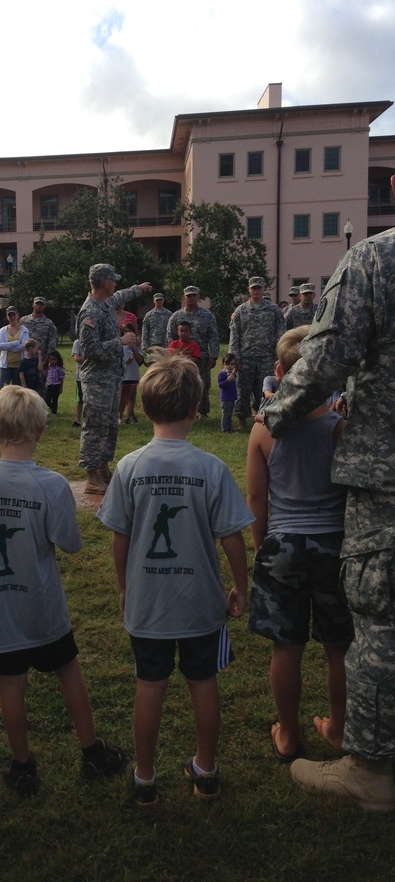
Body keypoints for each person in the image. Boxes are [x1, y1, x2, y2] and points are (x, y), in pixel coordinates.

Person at [262, 193, 395, 812]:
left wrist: (276, 413)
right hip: (343, 520)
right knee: (348, 636)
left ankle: (367, 768)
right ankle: (347, 733)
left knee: (377, 626)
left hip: (379, 487)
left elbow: (326, 359)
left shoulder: (376, 259)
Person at [97, 354, 253, 806]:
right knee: (203, 682)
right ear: (194, 409)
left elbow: (120, 538)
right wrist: (241, 585)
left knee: (150, 684)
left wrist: (124, 586)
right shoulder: (211, 468)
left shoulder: (129, 467)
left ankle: (144, 777)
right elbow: (232, 537)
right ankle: (206, 771)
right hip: (201, 602)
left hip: (148, 603)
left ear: (145, 408)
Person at [0, 386, 126, 796]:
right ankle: (91, 751)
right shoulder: (51, 484)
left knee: (11, 681)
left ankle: (22, 767)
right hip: (43, 604)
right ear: (40, 431)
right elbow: (69, 543)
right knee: (67, 668)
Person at [248, 327, 352, 763]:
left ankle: (288, 736)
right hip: (334, 547)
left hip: (283, 545)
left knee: (286, 647)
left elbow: (256, 499)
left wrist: (261, 546)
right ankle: (338, 729)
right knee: (338, 646)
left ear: (279, 371)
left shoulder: (263, 432)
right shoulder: (339, 429)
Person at [77, 264, 152, 495]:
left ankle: (103, 468)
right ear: (105, 283)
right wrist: (120, 342)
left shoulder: (105, 303)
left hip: (111, 378)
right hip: (97, 380)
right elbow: (90, 349)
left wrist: (138, 289)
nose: (115, 284)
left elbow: (121, 295)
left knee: (110, 427)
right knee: (94, 426)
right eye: (113, 280)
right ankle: (91, 476)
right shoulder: (90, 312)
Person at [229, 276, 286, 432]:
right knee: (243, 389)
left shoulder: (274, 310)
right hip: (246, 357)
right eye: (253, 288)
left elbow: (281, 333)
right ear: (249, 290)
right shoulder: (240, 311)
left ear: (264, 289)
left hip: (267, 357)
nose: (256, 290)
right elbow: (234, 335)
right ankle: (241, 418)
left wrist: (279, 353)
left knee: (264, 388)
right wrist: (235, 357)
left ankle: (265, 416)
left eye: (259, 287)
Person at [166, 286, 219, 419]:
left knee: (203, 385)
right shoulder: (176, 316)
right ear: (184, 298)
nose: (191, 298)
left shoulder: (207, 315)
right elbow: (170, 337)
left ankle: (203, 412)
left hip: (201, 358)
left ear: (198, 297)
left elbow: (213, 336)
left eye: (194, 295)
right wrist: (174, 356)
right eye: (188, 296)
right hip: (181, 360)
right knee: (182, 385)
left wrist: (214, 355)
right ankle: (183, 411)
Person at [20, 297, 58, 394]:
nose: (39, 306)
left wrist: (47, 360)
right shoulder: (23, 321)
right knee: (25, 389)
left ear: (45, 306)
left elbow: (52, 342)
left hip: (41, 361)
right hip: (25, 360)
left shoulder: (49, 323)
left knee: (41, 389)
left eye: (41, 304)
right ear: (33, 305)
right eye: (37, 304)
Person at [0, 305, 30, 389]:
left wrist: (7, 346)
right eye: (9, 315)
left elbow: (24, 346)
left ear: (18, 315)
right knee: (1, 390)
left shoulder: (24, 330)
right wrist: (16, 343)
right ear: (7, 317)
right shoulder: (3, 330)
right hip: (5, 366)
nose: (12, 317)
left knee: (17, 391)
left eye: (13, 314)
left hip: (19, 366)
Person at [119, 322, 143, 424]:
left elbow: (140, 360)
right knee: (123, 396)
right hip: (123, 374)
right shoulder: (120, 345)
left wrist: (134, 348)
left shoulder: (137, 345)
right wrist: (126, 361)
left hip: (133, 374)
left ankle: (128, 418)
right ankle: (120, 416)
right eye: (125, 331)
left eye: (130, 331)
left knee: (131, 396)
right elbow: (117, 361)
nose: (128, 333)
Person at [217, 353, 238, 434]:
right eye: (228, 364)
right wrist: (228, 380)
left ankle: (229, 428)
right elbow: (220, 384)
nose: (230, 366)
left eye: (232, 364)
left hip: (232, 397)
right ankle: (225, 429)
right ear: (223, 364)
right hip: (226, 397)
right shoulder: (222, 374)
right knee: (225, 414)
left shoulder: (231, 373)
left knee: (230, 414)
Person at [44, 350, 66, 414]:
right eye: (51, 360)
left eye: (54, 359)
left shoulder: (58, 368)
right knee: (47, 399)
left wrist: (61, 387)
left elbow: (61, 378)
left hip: (56, 385)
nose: (52, 361)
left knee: (55, 399)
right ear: (48, 360)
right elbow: (45, 375)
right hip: (49, 386)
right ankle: (52, 407)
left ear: (57, 360)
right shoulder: (48, 368)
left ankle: (54, 412)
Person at [71, 337, 84, 427]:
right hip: (80, 376)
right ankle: (77, 420)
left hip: (92, 377)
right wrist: (91, 359)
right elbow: (77, 358)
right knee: (80, 399)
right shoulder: (77, 342)